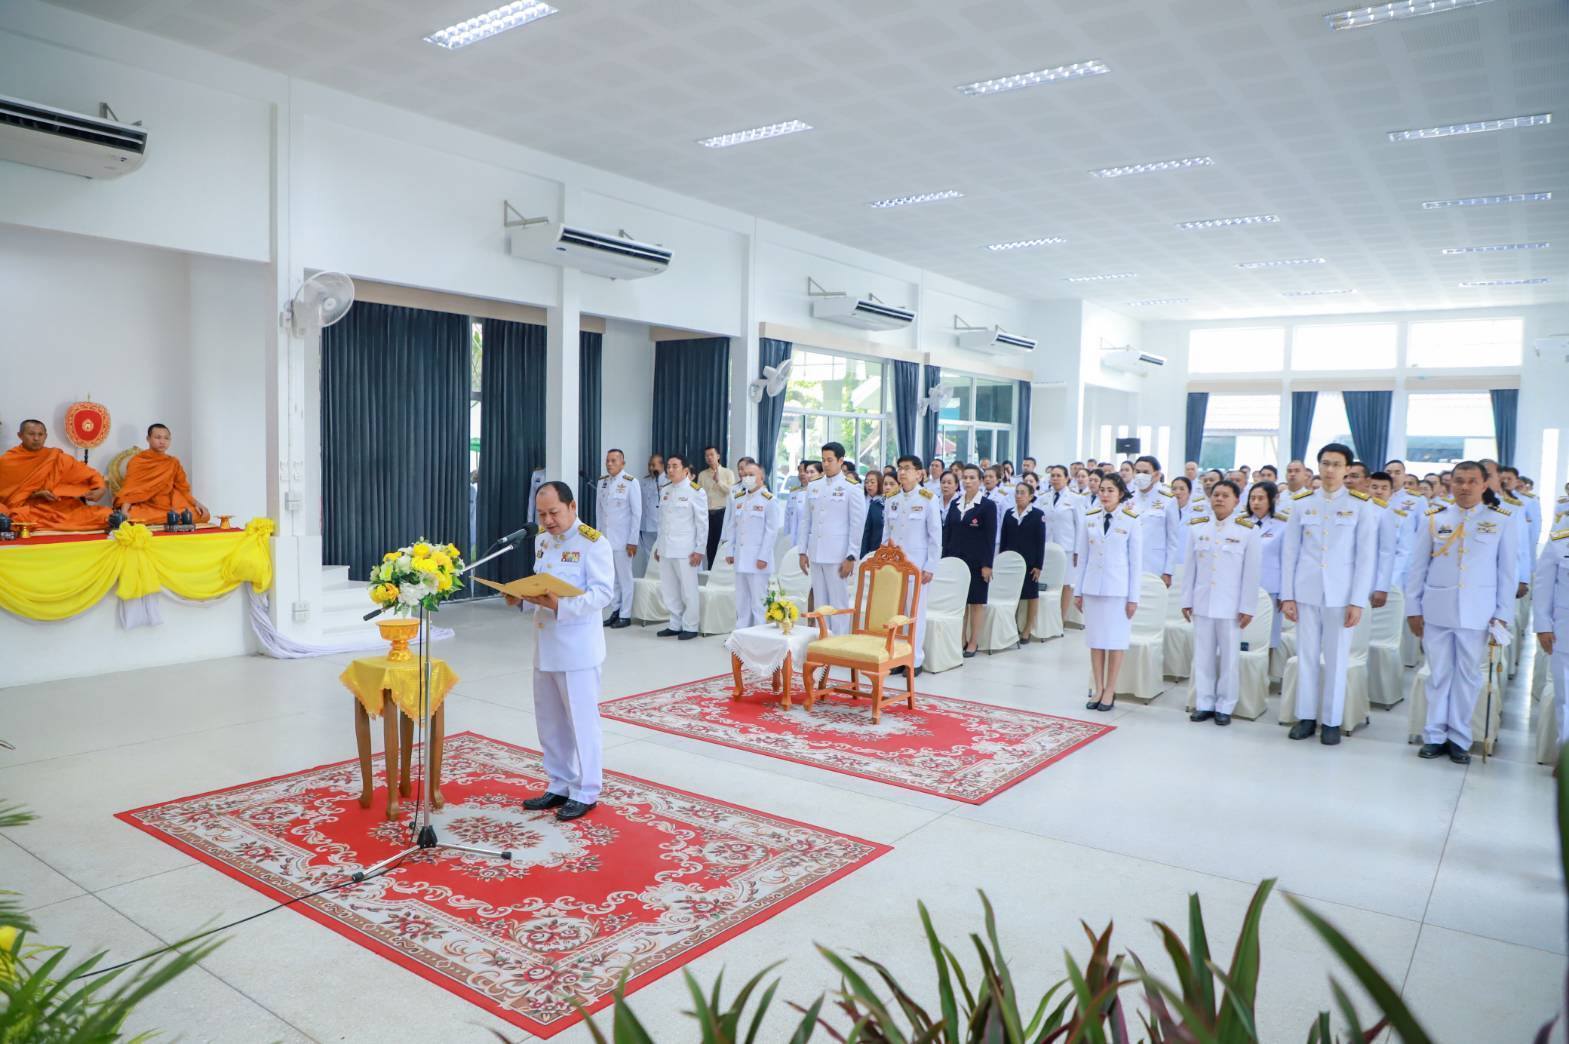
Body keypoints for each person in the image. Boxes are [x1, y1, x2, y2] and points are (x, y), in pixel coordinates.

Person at [505, 480, 611, 821]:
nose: (548, 521)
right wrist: (519, 595)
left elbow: (602, 595)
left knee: (581, 721)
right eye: (542, 514)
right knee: (549, 720)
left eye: (554, 513)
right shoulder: (541, 540)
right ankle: (560, 782)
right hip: (545, 643)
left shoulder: (594, 543)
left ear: (572, 507)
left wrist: (560, 605)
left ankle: (587, 789)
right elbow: (540, 583)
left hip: (577, 647)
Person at [1406, 461, 1518, 764]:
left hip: (1478, 613)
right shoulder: (1434, 517)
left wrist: (1502, 614)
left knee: (1468, 676)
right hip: (1437, 609)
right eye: (1458, 481)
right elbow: (1417, 568)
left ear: (1484, 485)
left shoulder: (1502, 520)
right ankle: (1434, 735)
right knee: (1438, 674)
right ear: (1449, 484)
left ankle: (1459, 738)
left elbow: (1507, 573)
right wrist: (1413, 609)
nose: (1464, 487)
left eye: (1471, 481)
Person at [1280, 442, 1378, 746]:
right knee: (1306, 655)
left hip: (1341, 594)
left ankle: (1332, 720)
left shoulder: (1362, 505)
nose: (1330, 469)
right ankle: (1306, 716)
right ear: (1318, 467)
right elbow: (1290, 551)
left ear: (1348, 469)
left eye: (1337, 464)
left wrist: (1357, 601)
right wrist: (1287, 595)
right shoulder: (1302, 502)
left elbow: (1365, 558)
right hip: (1306, 590)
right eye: (1325, 463)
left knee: (1336, 659)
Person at [1181, 480, 1261, 726]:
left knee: (1229, 658)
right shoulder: (1198, 528)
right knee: (1203, 655)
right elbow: (1190, 569)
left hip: (1231, 606)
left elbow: (1251, 574)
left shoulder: (1247, 530)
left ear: (1237, 500)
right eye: (1216, 494)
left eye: (1226, 495)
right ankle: (1204, 703)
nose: (1219, 499)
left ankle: (1225, 705)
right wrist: (1186, 600)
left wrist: (1247, 606)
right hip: (1203, 602)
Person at [1074, 474, 1142, 712]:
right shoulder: (1090, 517)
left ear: (1120, 493)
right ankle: (1099, 687)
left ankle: (1111, 689)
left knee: (1115, 642)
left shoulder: (1131, 519)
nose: (1104, 494)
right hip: (1093, 589)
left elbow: (1136, 562)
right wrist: (1078, 590)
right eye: (1102, 489)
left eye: (1110, 490)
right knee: (1096, 642)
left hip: (1118, 591)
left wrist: (1133, 597)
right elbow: (1082, 557)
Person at [798, 442, 867, 636]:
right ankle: (823, 643)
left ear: (840, 461)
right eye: (823, 460)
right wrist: (802, 551)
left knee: (838, 604)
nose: (826, 464)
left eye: (830, 460)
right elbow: (806, 521)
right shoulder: (814, 486)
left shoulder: (851, 488)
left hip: (838, 555)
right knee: (820, 603)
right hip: (816, 552)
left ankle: (840, 645)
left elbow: (857, 525)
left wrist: (852, 556)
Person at [883, 455, 943, 676]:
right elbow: (886, 533)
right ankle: (897, 656)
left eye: (907, 468)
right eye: (900, 468)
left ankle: (914, 659)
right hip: (893, 567)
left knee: (914, 612)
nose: (902, 472)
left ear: (919, 473)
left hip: (916, 565)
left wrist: (930, 566)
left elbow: (935, 536)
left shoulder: (928, 498)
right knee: (896, 613)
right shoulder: (892, 498)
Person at [0, 419, 111, 532]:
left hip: (61, 508)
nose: (36, 438)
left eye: (40, 434)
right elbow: (8, 500)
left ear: (46, 436)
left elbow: (90, 474)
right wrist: (35, 495)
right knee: (14, 517)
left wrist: (100, 489)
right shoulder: (7, 461)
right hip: (31, 509)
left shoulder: (55, 457)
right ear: (20, 435)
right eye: (31, 434)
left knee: (106, 514)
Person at [944, 463, 997, 658]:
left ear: (980, 481)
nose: (967, 481)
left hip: (977, 563)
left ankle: (973, 641)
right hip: (956, 562)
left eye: (972, 478)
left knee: (975, 603)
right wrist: (945, 560)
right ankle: (960, 639)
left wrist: (987, 565)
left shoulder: (988, 506)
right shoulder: (955, 503)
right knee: (960, 603)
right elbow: (947, 533)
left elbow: (990, 537)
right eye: (965, 477)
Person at [654, 454, 707, 640]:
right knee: (669, 589)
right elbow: (662, 521)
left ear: (686, 470)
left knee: (688, 589)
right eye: (668, 466)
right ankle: (675, 623)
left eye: (675, 466)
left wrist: (700, 549)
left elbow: (702, 523)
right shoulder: (665, 490)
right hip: (667, 548)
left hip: (686, 550)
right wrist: (659, 547)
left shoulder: (696, 491)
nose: (670, 470)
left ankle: (691, 626)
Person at [115, 423, 210, 525]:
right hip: (147, 506)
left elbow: (183, 489)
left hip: (170, 505)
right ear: (148, 439)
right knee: (134, 517)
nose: (162, 441)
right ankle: (170, 519)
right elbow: (130, 490)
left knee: (202, 514)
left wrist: (197, 504)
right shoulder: (138, 461)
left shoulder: (173, 462)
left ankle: (170, 518)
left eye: (166, 438)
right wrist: (124, 511)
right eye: (158, 437)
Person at [725, 459, 778, 629]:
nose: (747, 477)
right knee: (742, 601)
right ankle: (741, 634)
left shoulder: (768, 500)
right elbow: (732, 526)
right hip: (741, 559)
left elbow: (771, 532)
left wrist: (763, 557)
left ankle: (759, 635)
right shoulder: (739, 498)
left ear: (761, 477)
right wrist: (730, 551)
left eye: (751, 474)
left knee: (758, 602)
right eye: (745, 474)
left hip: (758, 560)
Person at [1534, 518, 1569, 770]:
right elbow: (1543, 585)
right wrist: (1543, 625)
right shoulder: (1560, 539)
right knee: (1565, 697)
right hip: (1564, 631)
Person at [594, 449, 641, 628]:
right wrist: (598, 536)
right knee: (611, 577)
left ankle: (625, 614)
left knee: (625, 577)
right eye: (607, 460)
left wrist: (633, 540)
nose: (609, 464)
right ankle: (615, 610)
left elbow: (637, 513)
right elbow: (600, 511)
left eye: (614, 461)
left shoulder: (630, 482)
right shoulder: (603, 482)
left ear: (622, 463)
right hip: (605, 538)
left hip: (623, 539)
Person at [1346, 462, 1398, 610]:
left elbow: (1387, 552)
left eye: (1354, 476)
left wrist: (1382, 586)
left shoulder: (1381, 511)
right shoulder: (1338, 506)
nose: (1349, 481)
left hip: (1366, 580)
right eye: (1346, 477)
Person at [1001, 482, 1046, 642]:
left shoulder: (1038, 514)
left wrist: (1038, 565)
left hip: (1030, 562)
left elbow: (1040, 542)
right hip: (1011, 561)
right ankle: (1011, 627)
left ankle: (1027, 628)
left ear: (1031, 496)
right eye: (1017, 492)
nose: (1019, 496)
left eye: (1022, 493)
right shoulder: (1008, 513)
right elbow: (1004, 539)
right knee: (1012, 594)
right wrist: (1002, 560)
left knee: (1031, 594)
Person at [1247, 480, 1288, 653]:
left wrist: (1285, 594)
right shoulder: (1241, 522)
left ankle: (1265, 675)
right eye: (1252, 498)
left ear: (1272, 500)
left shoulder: (1283, 525)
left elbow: (1287, 560)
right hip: (1245, 587)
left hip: (1271, 587)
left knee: (1268, 636)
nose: (1255, 502)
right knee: (1247, 634)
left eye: (1261, 498)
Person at [1129, 456, 1180, 586]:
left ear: (1156, 475)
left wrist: (1168, 571)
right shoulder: (1128, 498)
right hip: (1130, 564)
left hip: (1155, 566)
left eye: (1145, 472)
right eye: (1138, 471)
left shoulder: (1168, 500)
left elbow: (1173, 540)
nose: (1140, 476)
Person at [696, 446, 736, 568]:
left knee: (723, 545)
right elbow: (699, 495)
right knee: (710, 546)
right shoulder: (702, 474)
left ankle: (723, 573)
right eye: (706, 455)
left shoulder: (728, 473)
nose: (709, 457)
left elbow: (731, 492)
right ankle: (710, 571)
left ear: (718, 456)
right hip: (707, 514)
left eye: (711, 455)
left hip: (722, 514)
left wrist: (719, 481)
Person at [635, 453, 666, 578]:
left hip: (660, 525)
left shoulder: (668, 481)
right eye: (649, 465)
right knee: (648, 555)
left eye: (654, 465)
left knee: (662, 556)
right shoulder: (644, 481)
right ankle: (650, 580)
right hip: (646, 525)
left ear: (662, 465)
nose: (651, 468)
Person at [784, 459, 821, 548]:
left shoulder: (822, 493)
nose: (803, 474)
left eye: (808, 471)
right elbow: (788, 519)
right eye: (800, 471)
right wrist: (788, 539)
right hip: (797, 541)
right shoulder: (797, 494)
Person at [860, 469, 887, 556]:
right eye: (867, 482)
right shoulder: (861, 499)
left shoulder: (883, 501)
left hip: (876, 543)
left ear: (879, 483)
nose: (869, 485)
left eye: (872, 482)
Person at [1170, 476, 1195, 566]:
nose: (1177, 492)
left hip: (1187, 561)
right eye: (1174, 489)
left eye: (1182, 489)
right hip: (1168, 563)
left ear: (1189, 492)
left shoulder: (1197, 514)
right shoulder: (1164, 512)